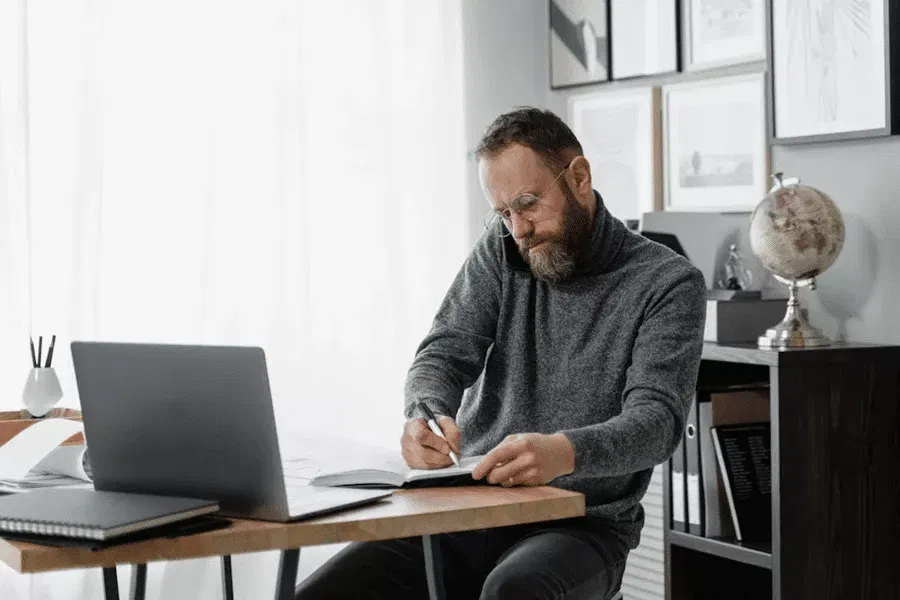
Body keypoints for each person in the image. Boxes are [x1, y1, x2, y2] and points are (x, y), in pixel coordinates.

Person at [295, 108, 706, 599]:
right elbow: (444, 352)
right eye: (503, 213)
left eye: (528, 204)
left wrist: (563, 453)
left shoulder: (667, 283)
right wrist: (423, 414)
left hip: (580, 524)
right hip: (468, 507)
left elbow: (657, 423)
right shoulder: (503, 249)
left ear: (579, 177)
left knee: (514, 592)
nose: (518, 229)